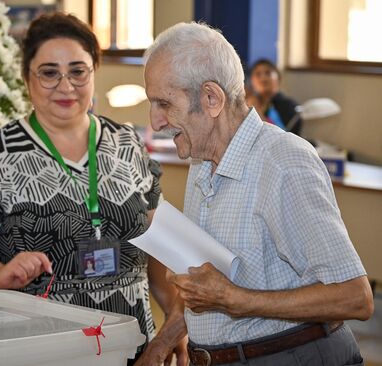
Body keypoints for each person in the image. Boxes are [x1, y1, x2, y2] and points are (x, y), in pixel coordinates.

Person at [0, 12, 186, 365]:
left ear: (94, 72)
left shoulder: (126, 143)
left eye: (78, 71)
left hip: (131, 346)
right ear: (27, 78)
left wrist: (174, 322)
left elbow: (156, 243)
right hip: (37, 349)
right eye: (49, 72)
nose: (65, 86)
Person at [136, 22, 374, 366]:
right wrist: (162, 343)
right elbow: (204, 287)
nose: (155, 121)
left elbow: (355, 298)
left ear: (211, 99)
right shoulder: (202, 159)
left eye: (164, 103)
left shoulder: (283, 162)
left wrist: (235, 298)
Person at [246, 58, 303, 135]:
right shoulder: (246, 104)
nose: (263, 78)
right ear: (251, 81)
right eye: (258, 74)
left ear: (278, 78)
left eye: (268, 73)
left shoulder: (289, 106)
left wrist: (256, 110)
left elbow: (282, 137)